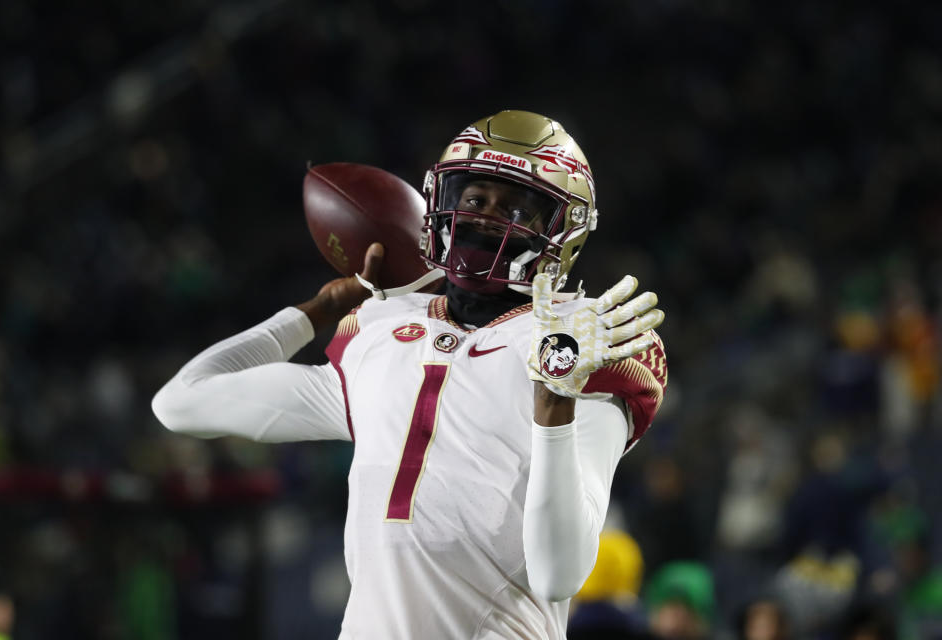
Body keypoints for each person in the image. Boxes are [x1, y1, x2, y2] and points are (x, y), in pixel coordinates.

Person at [152, 110, 667, 639]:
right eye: (474, 199)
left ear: (563, 230)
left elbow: (558, 574)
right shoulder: (380, 334)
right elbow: (182, 401)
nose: (488, 216)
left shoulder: (587, 341)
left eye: (516, 206)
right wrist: (312, 312)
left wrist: (556, 399)